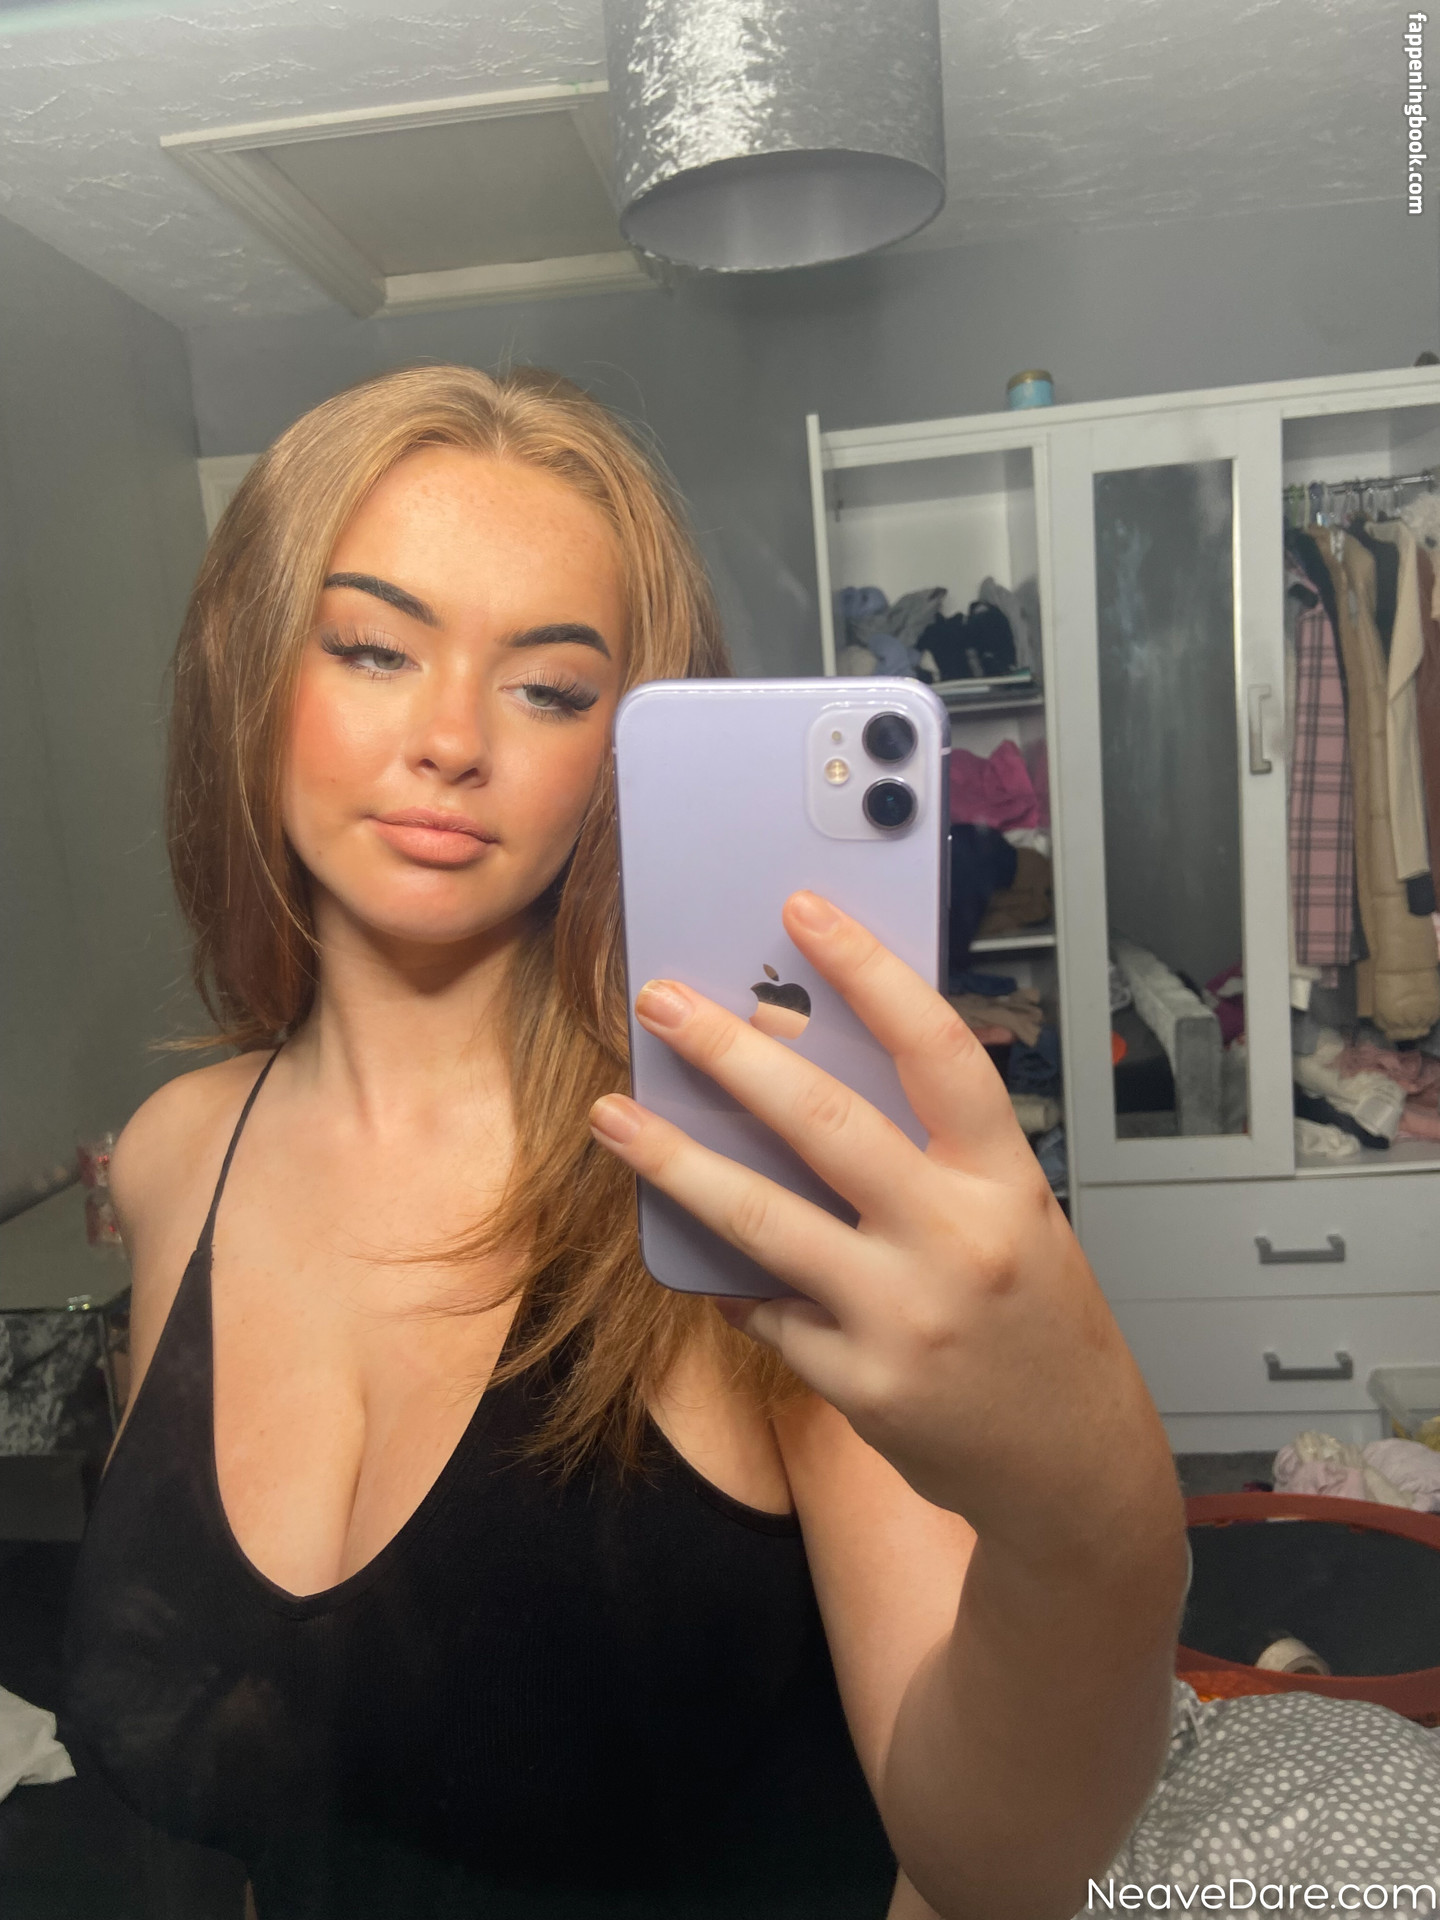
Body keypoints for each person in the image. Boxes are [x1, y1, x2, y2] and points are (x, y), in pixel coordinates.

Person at [62, 364, 1187, 1920]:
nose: (452, 738)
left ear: (626, 751)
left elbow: (1001, 1865)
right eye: (376, 648)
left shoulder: (744, 1172)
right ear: (245, 668)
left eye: (550, 688)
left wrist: (1098, 1510)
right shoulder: (178, 1151)